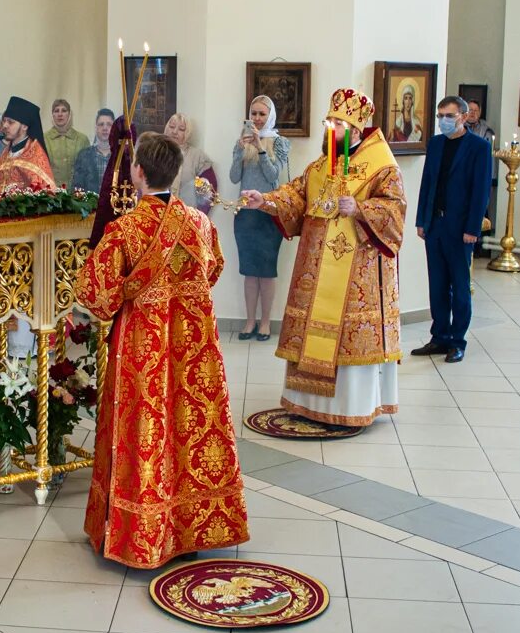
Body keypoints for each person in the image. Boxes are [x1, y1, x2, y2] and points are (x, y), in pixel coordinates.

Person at [76, 132, 249, 568]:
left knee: (147, 431)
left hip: (144, 346)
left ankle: (144, 534)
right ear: (174, 172)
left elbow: (94, 294)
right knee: (190, 428)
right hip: (194, 346)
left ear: (137, 172)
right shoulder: (200, 223)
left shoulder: (125, 230)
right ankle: (192, 528)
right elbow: (214, 269)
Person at [241, 87, 406, 427]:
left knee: (345, 337)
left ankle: (351, 406)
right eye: (328, 121)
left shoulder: (382, 166)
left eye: (336, 123)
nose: (329, 129)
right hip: (317, 273)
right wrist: (266, 201)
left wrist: (361, 208)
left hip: (356, 274)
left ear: (356, 130)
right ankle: (306, 402)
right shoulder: (321, 166)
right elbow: (296, 194)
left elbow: (395, 210)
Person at [412, 95, 493, 364]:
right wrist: (422, 220)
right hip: (435, 224)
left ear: (463, 116)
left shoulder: (478, 147)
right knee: (437, 284)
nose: (443, 121)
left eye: (448, 116)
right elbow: (427, 184)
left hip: (460, 228)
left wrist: (473, 228)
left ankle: (457, 340)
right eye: (440, 116)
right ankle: (439, 336)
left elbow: (481, 191)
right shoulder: (435, 144)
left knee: (459, 285)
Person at [229, 95, 290, 341]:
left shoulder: (280, 143)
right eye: (253, 113)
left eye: (261, 114)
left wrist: (261, 148)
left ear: (270, 116)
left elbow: (273, 177)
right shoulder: (241, 141)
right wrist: (239, 152)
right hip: (245, 214)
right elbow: (234, 177)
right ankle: (250, 321)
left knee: (266, 271)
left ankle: (265, 323)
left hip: (268, 213)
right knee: (249, 271)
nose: (256, 118)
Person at [0, 96, 55, 192]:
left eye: (10, 122)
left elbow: (44, 195)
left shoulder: (36, 156)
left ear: (25, 126)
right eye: (4, 121)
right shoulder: (7, 153)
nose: (4, 126)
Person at [164, 112, 217, 214]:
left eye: (181, 129)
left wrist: (199, 215)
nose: (175, 132)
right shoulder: (157, 152)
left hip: (187, 216)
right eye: (172, 127)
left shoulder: (197, 157)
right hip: (159, 214)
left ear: (187, 133)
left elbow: (210, 189)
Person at [43, 98, 88, 186]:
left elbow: (87, 170)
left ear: (70, 114)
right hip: (50, 196)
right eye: (56, 111)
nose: (60, 114)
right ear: (52, 115)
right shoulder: (44, 139)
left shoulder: (82, 139)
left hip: (77, 195)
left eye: (64, 110)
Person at [71, 108, 113, 193]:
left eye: (109, 124)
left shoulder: (122, 156)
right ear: (96, 128)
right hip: (90, 205)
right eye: (101, 124)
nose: (105, 128)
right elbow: (77, 188)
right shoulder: (83, 156)